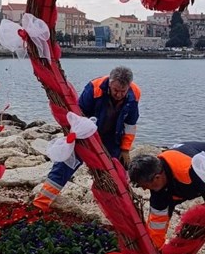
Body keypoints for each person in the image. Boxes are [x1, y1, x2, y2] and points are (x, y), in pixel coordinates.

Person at [34, 66, 140, 211]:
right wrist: (79, 136)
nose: (119, 94)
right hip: (85, 133)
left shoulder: (134, 94)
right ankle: (42, 202)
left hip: (112, 137)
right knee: (66, 164)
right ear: (110, 82)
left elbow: (130, 125)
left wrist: (125, 149)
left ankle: (118, 209)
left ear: (129, 86)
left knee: (116, 172)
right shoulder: (94, 88)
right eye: (116, 90)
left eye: (123, 91)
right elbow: (78, 114)